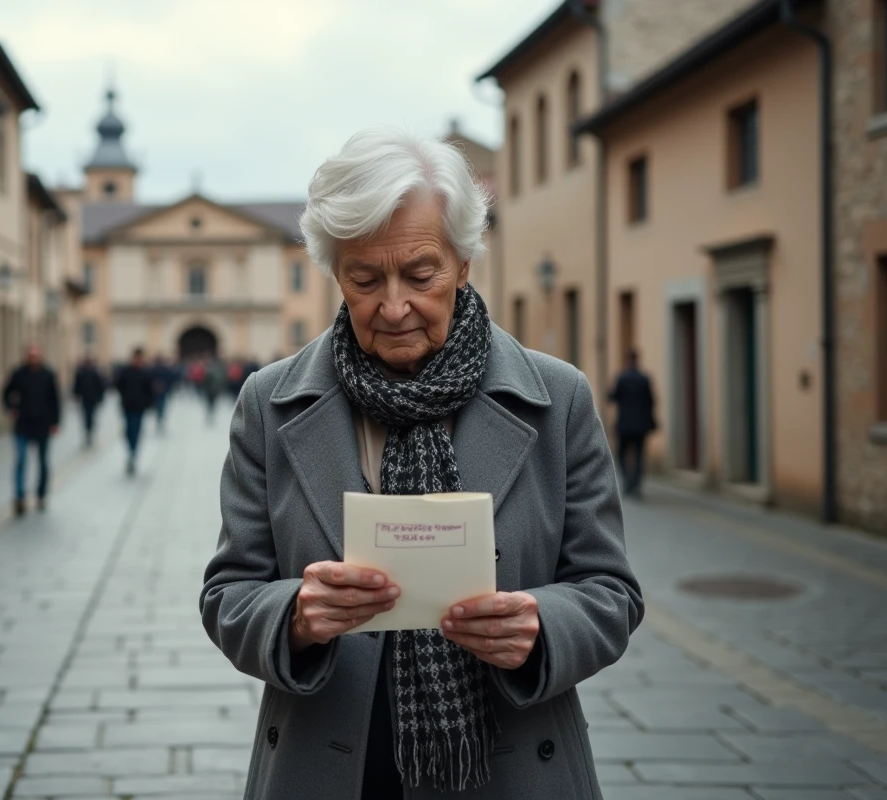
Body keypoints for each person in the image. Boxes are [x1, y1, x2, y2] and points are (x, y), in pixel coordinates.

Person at [201, 128, 643, 799]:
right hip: (325, 768)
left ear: (464, 264)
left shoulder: (559, 399)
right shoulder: (269, 403)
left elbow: (611, 593)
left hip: (512, 769)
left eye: (421, 273)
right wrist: (295, 615)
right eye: (365, 278)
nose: (394, 305)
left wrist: (540, 625)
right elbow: (228, 593)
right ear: (334, 274)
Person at [1, 343, 60, 515]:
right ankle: (19, 497)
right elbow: (6, 393)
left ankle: (41, 494)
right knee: (21, 460)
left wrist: (55, 423)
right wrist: (10, 409)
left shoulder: (48, 374)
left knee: (42, 462)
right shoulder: (19, 373)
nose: (33, 358)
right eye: (31, 355)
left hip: (42, 425)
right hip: (23, 425)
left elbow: (55, 400)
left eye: (36, 355)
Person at [608, 349, 657, 498]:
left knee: (621, 453)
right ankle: (636, 483)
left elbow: (611, 397)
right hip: (641, 425)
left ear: (628, 360)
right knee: (639, 454)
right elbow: (651, 401)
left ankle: (628, 481)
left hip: (624, 425)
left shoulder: (622, 378)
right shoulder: (644, 379)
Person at [114, 347, 155, 475]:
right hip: (128, 406)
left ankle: (133, 453)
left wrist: (149, 405)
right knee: (128, 431)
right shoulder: (125, 372)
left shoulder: (145, 373)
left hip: (139, 407)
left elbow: (149, 391)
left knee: (136, 430)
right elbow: (118, 386)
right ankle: (131, 452)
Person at [71, 355, 106, 447]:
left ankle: (90, 431)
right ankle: (88, 432)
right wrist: (76, 395)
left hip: (92, 399)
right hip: (85, 399)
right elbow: (77, 386)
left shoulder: (95, 373)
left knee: (91, 416)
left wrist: (100, 398)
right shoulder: (81, 373)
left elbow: (100, 386)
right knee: (86, 417)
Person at [150, 354, 176, 434]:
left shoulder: (153, 370)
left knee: (159, 407)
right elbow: (171, 380)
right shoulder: (165, 370)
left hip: (157, 393)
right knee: (161, 407)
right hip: (162, 393)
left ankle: (159, 420)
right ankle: (160, 420)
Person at [202, 355, 227, 423]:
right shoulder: (216, 370)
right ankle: (210, 415)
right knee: (211, 404)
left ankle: (210, 415)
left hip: (212, 390)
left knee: (210, 404)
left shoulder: (209, 370)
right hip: (212, 390)